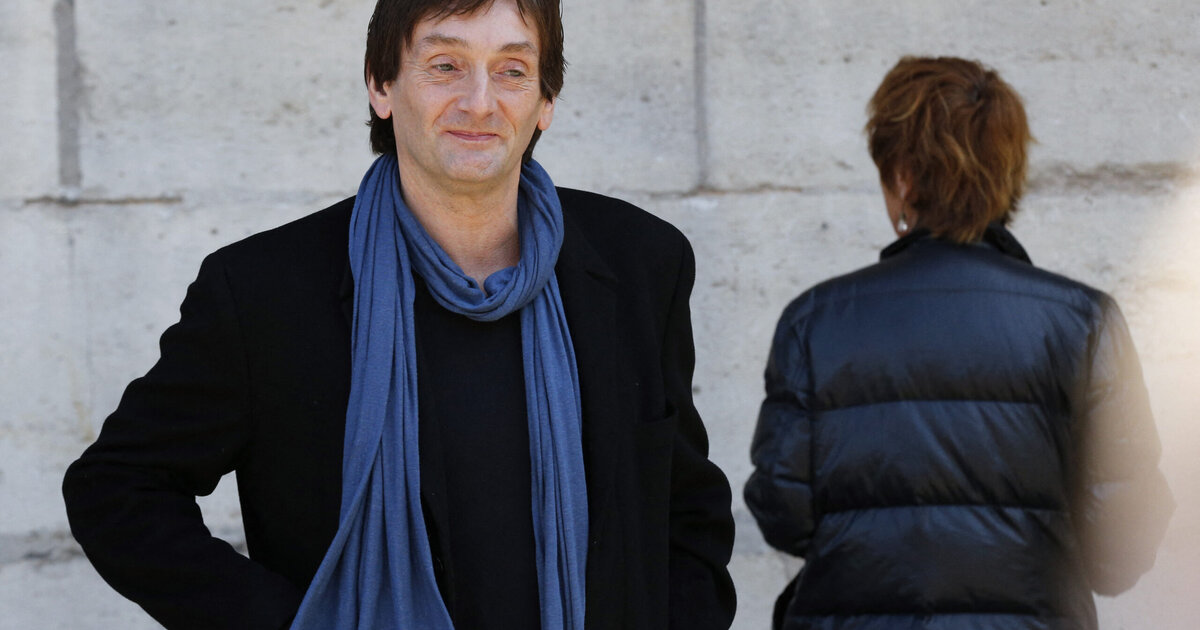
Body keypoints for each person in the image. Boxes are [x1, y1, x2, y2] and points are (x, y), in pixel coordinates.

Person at [62, 1, 736, 628]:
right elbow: (116, 489)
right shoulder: (263, 291)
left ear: (546, 101)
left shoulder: (639, 264)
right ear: (380, 86)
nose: (479, 102)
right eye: (445, 65)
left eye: (511, 69)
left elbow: (686, 508)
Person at [744, 56, 1174, 630]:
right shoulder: (1082, 322)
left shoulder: (815, 321)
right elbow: (1122, 539)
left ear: (902, 176)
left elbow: (783, 512)